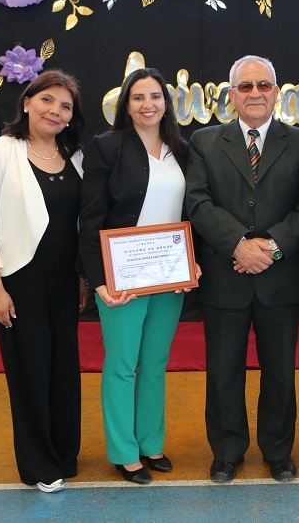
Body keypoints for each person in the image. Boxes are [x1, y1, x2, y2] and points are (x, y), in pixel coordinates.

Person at [185, 55, 299, 483]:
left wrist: (272, 248)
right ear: (231, 94)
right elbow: (198, 203)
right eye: (245, 86)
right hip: (226, 275)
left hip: (280, 278)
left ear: (276, 92)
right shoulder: (204, 142)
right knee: (222, 371)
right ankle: (226, 451)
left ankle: (278, 451)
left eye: (263, 85)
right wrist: (239, 245)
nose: (255, 93)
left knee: (280, 372)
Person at [79, 67, 200, 485]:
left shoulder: (182, 150)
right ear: (125, 104)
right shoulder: (106, 147)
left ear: (166, 103)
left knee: (155, 363)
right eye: (138, 97)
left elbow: (191, 214)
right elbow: (90, 218)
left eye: (155, 96)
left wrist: (192, 260)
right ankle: (123, 451)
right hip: (121, 277)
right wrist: (98, 280)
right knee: (122, 365)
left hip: (169, 276)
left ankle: (151, 443)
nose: (148, 104)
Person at [0, 70, 87, 494]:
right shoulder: (3, 151)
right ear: (26, 102)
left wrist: (80, 277)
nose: (55, 111)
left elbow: (76, 224)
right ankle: (39, 464)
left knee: (63, 371)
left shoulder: (74, 157)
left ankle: (63, 453)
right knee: (30, 371)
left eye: (65, 106)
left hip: (63, 282)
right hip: (18, 280)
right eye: (47, 101)